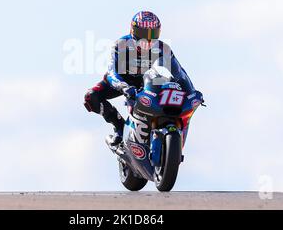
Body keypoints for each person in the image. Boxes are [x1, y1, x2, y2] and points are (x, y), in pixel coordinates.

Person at [84, 11, 203, 146]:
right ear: (133, 30)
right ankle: (119, 127)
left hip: (148, 83)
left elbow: (180, 73)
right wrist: (124, 87)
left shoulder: (163, 48)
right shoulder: (121, 44)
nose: (148, 39)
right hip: (122, 81)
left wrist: (191, 91)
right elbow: (112, 72)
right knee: (90, 97)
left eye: (153, 34)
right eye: (143, 34)